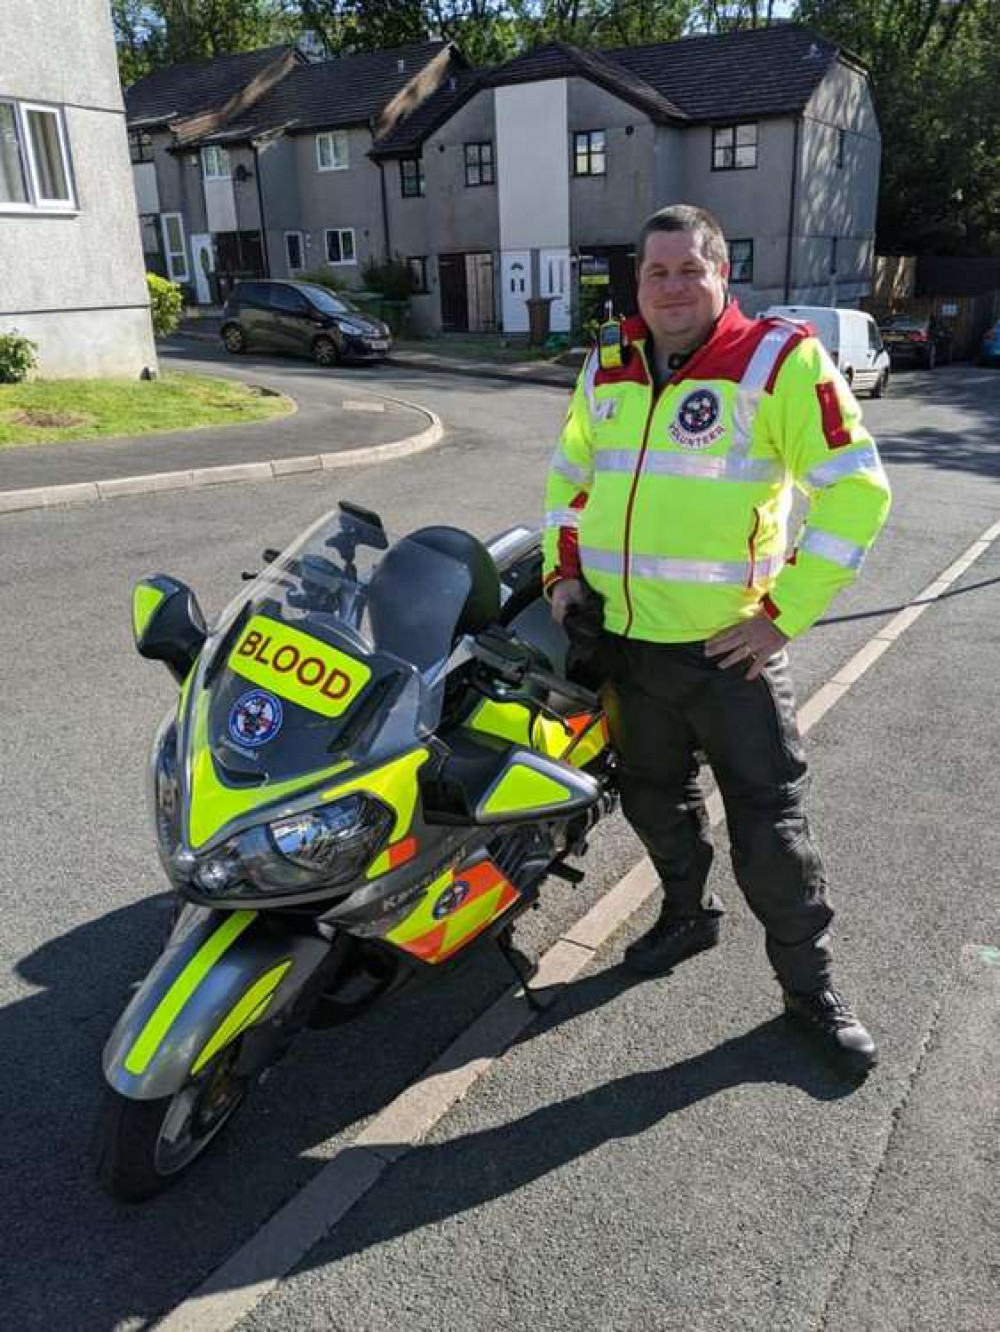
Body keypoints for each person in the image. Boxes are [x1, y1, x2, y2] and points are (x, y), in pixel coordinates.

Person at [543, 204, 891, 1076]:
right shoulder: (610, 361)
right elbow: (571, 477)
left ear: (721, 275)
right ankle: (686, 917)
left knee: (771, 835)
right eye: (654, 272)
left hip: (726, 657)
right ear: (637, 281)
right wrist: (563, 571)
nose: (669, 288)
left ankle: (809, 993)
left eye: (688, 270)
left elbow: (858, 492)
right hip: (626, 648)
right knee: (656, 801)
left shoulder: (779, 360)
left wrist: (783, 616)